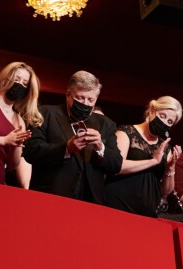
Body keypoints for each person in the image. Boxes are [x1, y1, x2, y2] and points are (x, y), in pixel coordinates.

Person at [23, 70, 122, 204]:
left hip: (91, 201)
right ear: (68, 94)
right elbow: (31, 150)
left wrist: (100, 147)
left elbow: (116, 165)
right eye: (80, 98)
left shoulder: (106, 123)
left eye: (90, 99)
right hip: (51, 196)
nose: (85, 103)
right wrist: (66, 149)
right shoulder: (45, 113)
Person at [105, 96, 182, 217]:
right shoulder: (126, 132)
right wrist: (153, 161)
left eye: (170, 122)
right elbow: (116, 166)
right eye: (162, 116)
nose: (165, 122)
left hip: (147, 211)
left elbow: (165, 192)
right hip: (118, 203)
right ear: (152, 111)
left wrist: (171, 167)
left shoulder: (165, 147)